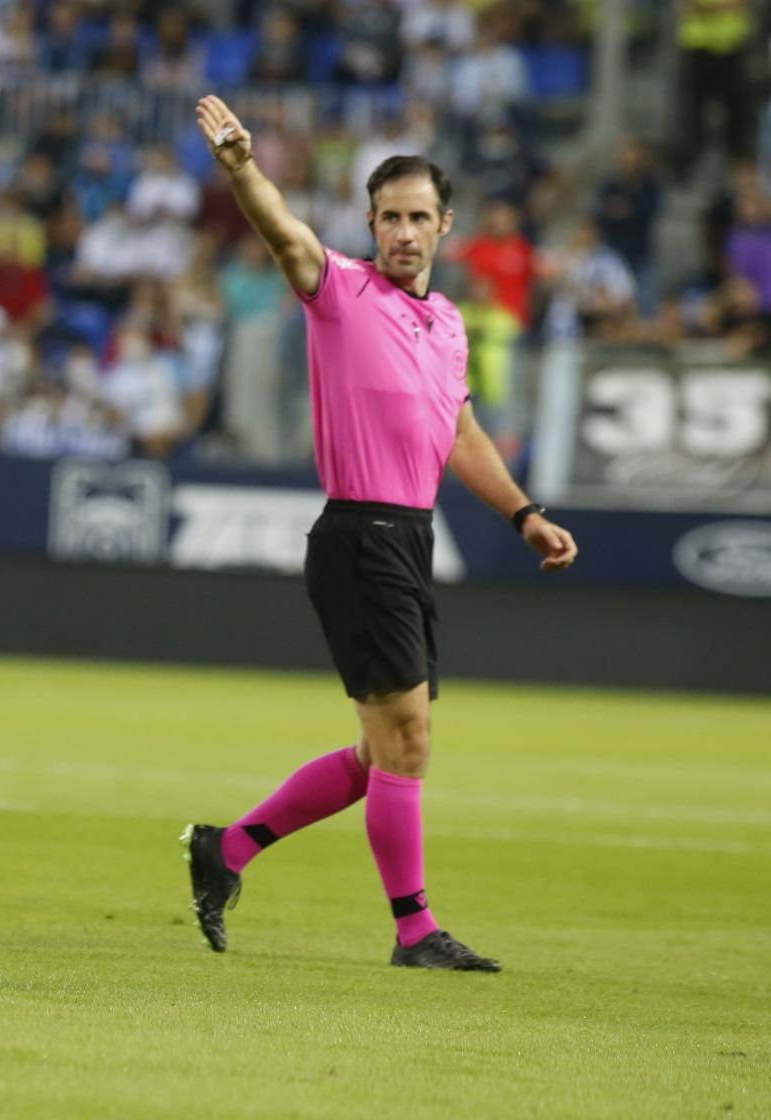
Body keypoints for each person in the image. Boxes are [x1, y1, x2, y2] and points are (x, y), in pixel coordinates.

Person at [181, 95, 578, 972]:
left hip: (409, 538)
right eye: (389, 217)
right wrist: (244, 166)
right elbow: (284, 234)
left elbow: (461, 434)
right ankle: (414, 931)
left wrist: (524, 515)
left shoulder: (446, 325)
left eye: (418, 218)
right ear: (370, 223)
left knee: (381, 751)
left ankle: (228, 849)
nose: (403, 232)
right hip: (360, 536)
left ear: (446, 226)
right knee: (409, 741)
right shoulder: (340, 290)